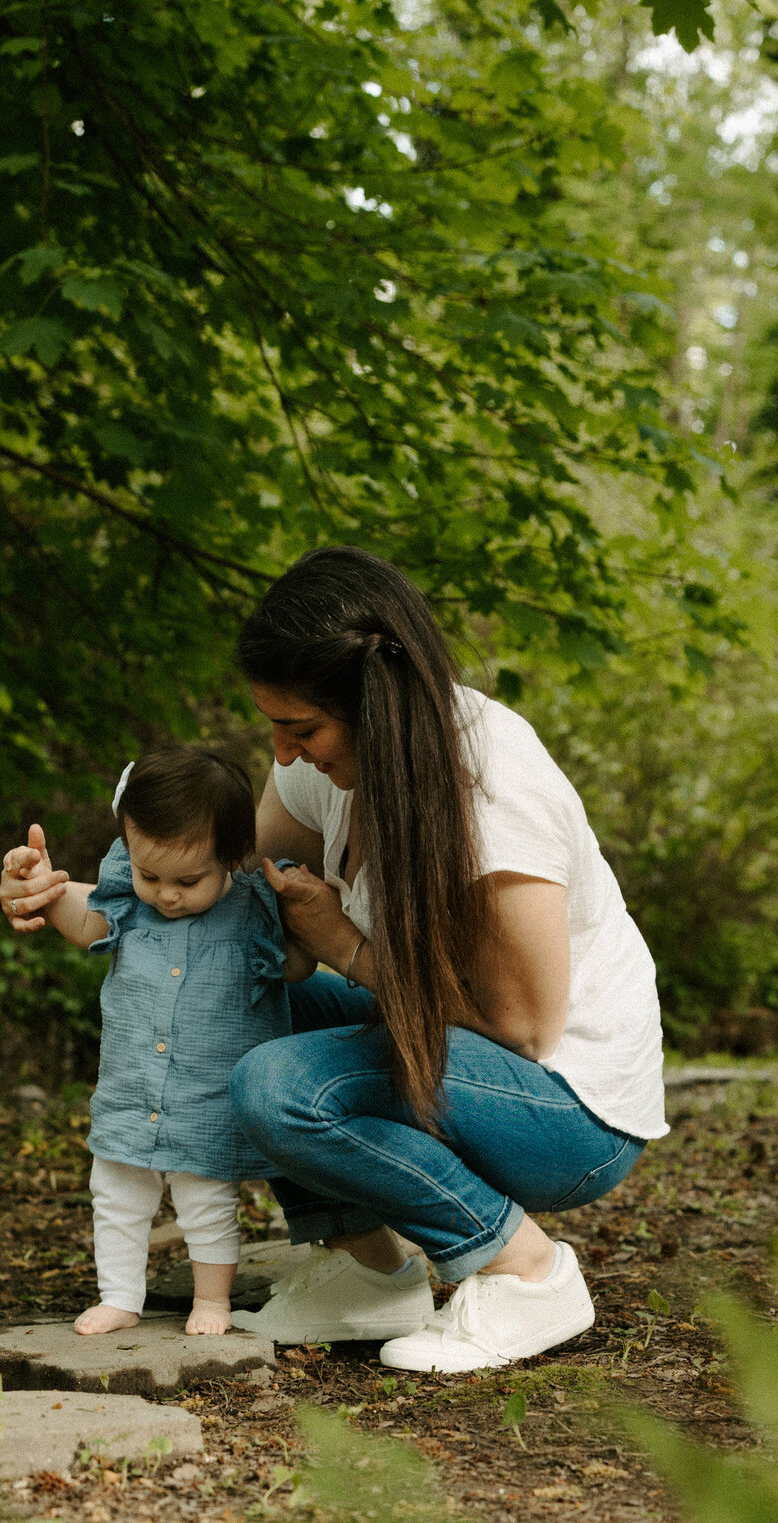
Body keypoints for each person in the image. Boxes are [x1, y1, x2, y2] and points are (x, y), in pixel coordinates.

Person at [224, 544, 668, 1373]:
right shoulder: (331, 771)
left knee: (278, 1088)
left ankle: (524, 1271)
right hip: (464, 1056)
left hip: (568, 1108)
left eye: (303, 729)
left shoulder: (492, 791)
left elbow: (523, 1028)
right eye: (275, 728)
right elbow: (233, 887)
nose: (282, 755)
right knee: (230, 1002)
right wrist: (86, 898)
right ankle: (365, 1269)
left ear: (376, 704)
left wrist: (348, 950)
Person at [0, 746, 313, 1337]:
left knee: (206, 1202)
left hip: (207, 1098)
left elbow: (295, 967)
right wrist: (42, 885)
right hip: (130, 1088)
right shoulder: (127, 899)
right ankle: (120, 1296)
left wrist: (312, 912)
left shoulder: (254, 907)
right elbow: (85, 918)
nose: (167, 894)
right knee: (115, 1194)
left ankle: (212, 1302)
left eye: (188, 881)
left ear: (233, 856)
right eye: (150, 876)